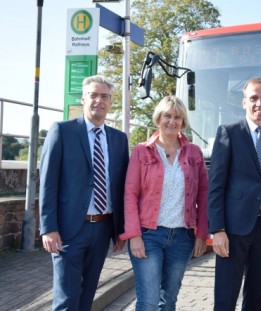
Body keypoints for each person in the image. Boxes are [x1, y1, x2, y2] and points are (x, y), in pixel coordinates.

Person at [39, 75, 129, 310]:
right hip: (68, 231)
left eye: (105, 96)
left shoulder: (119, 139)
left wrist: (120, 230)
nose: (99, 100)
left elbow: (121, 187)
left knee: (87, 297)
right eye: (94, 95)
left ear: (111, 102)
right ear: (83, 99)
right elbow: (48, 182)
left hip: (102, 229)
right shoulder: (62, 131)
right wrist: (48, 228)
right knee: (67, 300)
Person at [208, 77, 261, 310]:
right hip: (233, 230)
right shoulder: (229, 133)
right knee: (225, 298)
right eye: (254, 98)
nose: (259, 103)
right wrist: (217, 230)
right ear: (244, 102)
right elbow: (216, 186)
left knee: (255, 298)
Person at [119, 96, 208, 310]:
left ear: (183, 122)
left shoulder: (194, 152)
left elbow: (204, 195)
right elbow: (129, 194)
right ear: (158, 118)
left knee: (169, 300)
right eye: (167, 116)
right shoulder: (142, 150)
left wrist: (201, 235)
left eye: (177, 117)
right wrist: (134, 236)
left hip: (182, 237)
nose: (172, 121)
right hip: (149, 235)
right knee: (148, 301)